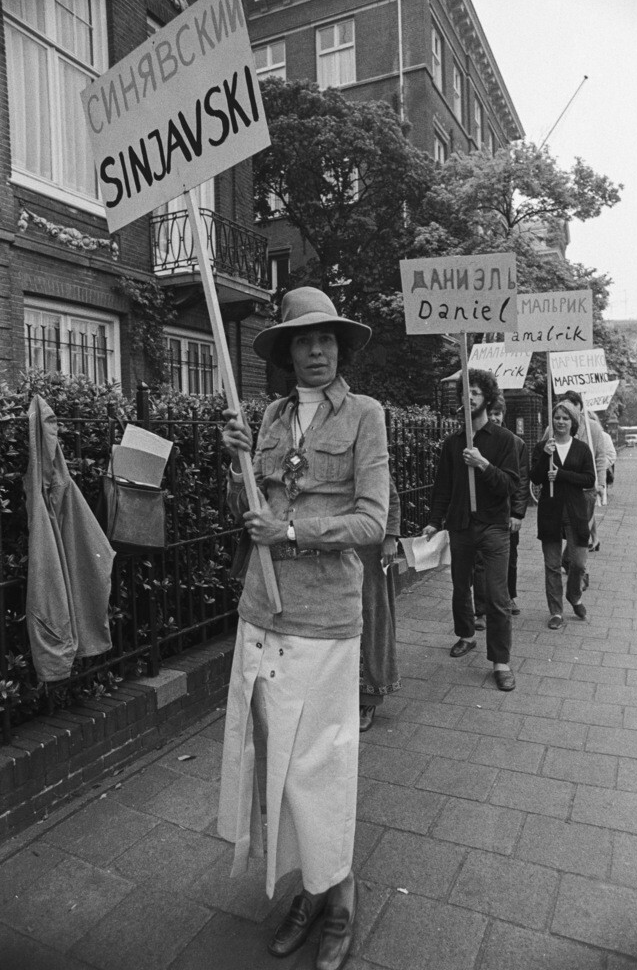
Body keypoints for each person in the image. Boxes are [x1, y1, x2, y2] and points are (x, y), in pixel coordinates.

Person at [217, 287, 389, 970]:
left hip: (324, 617)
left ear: (339, 349)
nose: (316, 351)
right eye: (302, 340)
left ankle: (338, 896)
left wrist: (291, 528)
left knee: (322, 764)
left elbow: (372, 522)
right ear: (286, 352)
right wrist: (235, 468)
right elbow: (247, 509)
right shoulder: (267, 415)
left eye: (326, 340)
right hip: (262, 609)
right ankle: (307, 889)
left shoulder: (367, 415)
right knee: (277, 767)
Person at [422, 369, 520, 692]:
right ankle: (466, 634)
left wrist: (483, 464)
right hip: (461, 525)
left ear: (487, 398)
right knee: (460, 586)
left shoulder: (505, 441)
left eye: (476, 391)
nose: (471, 397)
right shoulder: (453, 443)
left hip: (493, 526)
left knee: (496, 594)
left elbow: (509, 485)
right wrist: (435, 522)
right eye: (466, 392)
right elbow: (442, 487)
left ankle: (501, 662)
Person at [529, 400, 595, 629]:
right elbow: (535, 478)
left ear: (573, 422)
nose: (560, 422)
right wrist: (544, 458)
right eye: (557, 417)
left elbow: (589, 479)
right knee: (552, 565)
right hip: (550, 511)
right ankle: (556, 611)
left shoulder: (581, 448)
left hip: (575, 513)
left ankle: (574, 595)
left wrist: (562, 475)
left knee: (577, 563)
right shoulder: (543, 447)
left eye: (566, 418)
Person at [473, 394, 529, 619]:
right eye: (491, 413)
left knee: (509, 558)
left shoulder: (515, 442)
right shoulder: (475, 440)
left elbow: (522, 480)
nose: (494, 418)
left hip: (505, 512)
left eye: (498, 414)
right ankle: (481, 606)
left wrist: (517, 513)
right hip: (482, 512)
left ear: (504, 415)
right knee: (479, 562)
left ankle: (508, 595)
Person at [358, 478, 402, 733]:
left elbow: (390, 495)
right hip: (332, 548)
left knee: (372, 619)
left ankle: (368, 699)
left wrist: (390, 537)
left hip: (368, 550)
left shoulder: (365, 441)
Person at [556, 391, 606, 565]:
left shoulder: (593, 427)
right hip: (561, 488)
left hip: (586, 489)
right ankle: (569, 560)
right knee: (565, 528)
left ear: (580, 407)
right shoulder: (553, 427)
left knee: (580, 529)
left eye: (573, 406)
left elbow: (600, 456)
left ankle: (578, 568)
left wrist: (601, 483)